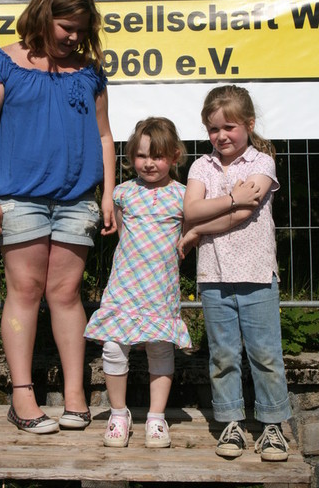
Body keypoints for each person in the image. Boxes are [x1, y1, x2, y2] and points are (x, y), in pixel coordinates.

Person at [0, 0, 117, 434]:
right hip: (18, 198)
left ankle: (75, 396)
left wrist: (108, 193)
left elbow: (104, 135)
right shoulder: (1, 65)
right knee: (26, 291)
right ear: (42, 14)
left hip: (77, 201)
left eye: (81, 30)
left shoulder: (90, 72)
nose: (74, 37)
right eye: (66, 27)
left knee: (66, 294)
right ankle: (22, 397)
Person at [178, 85, 292, 461]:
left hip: (257, 274)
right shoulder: (201, 166)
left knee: (265, 354)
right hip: (213, 276)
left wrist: (197, 230)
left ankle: (272, 426)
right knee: (223, 355)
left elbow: (245, 213)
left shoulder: (262, 163)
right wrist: (229, 200)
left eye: (229, 127)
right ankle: (230, 422)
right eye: (214, 129)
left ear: (249, 124)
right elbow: (191, 210)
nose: (221, 135)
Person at [84, 117, 192, 448]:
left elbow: (189, 234)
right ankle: (119, 414)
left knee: (160, 348)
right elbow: (120, 227)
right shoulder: (123, 193)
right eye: (141, 155)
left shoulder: (183, 196)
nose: (148, 163)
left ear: (174, 156)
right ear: (131, 157)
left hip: (161, 287)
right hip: (125, 285)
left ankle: (156, 418)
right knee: (114, 347)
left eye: (157, 156)